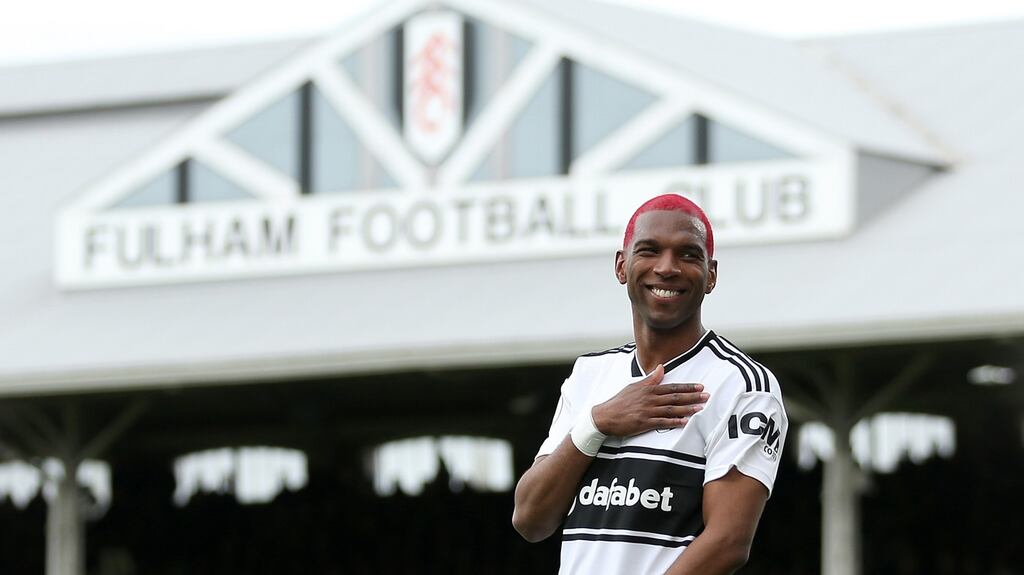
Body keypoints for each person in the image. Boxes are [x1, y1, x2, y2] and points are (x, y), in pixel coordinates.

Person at [512, 194, 788, 574]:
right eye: (650, 250)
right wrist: (596, 424)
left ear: (711, 275)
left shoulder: (742, 386)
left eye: (689, 255)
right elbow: (530, 519)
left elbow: (728, 542)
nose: (667, 267)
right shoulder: (590, 374)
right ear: (621, 266)